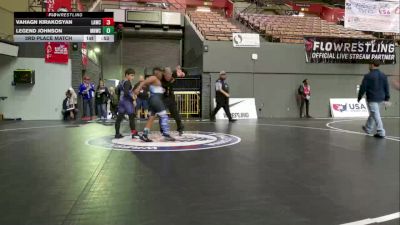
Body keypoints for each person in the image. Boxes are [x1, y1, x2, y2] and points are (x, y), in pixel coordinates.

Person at [134, 67, 175, 142]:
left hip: (154, 100)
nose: (160, 74)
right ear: (156, 73)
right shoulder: (154, 78)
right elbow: (143, 82)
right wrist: (138, 88)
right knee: (164, 115)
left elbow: (145, 84)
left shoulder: (156, 81)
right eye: (159, 73)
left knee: (151, 118)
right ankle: (166, 134)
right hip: (156, 100)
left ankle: (145, 135)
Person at [358, 61, 390, 138]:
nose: (368, 66)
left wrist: (359, 97)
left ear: (372, 65)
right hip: (381, 98)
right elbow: (387, 87)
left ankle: (381, 132)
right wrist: (387, 98)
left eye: (369, 65)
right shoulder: (383, 75)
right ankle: (368, 128)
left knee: (376, 115)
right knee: (374, 113)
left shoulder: (368, 76)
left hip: (372, 98)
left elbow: (363, 88)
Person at [115, 68, 139, 139]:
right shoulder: (127, 82)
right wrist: (133, 99)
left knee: (119, 118)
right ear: (127, 75)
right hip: (127, 102)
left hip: (121, 102)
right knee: (131, 117)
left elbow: (117, 91)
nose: (132, 77)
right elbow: (126, 93)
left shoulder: (121, 81)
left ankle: (117, 134)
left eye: (133, 76)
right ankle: (134, 134)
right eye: (131, 75)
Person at [162, 67, 184, 135]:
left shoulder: (173, 78)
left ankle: (180, 128)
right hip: (163, 99)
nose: (168, 77)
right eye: (166, 76)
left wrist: (182, 74)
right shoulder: (160, 79)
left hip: (171, 98)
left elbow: (181, 73)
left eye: (169, 75)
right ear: (164, 74)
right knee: (162, 115)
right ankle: (162, 130)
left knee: (176, 114)